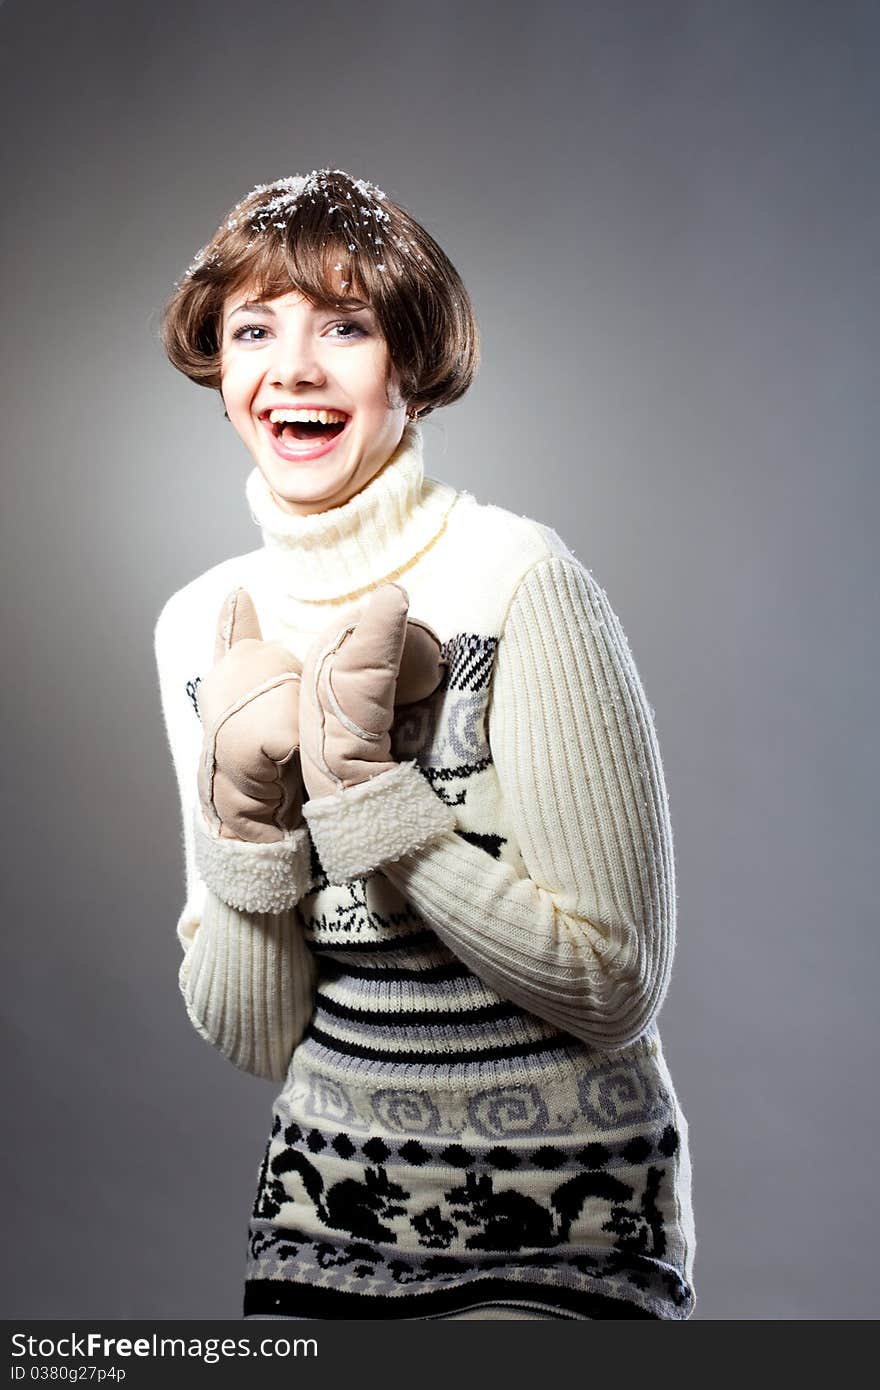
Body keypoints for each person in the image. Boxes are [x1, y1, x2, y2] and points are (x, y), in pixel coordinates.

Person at [154, 168, 696, 1320]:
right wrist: (249, 825)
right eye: (255, 329)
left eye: (342, 327)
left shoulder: (519, 579)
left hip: (564, 1221)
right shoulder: (198, 626)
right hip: (318, 1218)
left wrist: (370, 806)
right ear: (222, 370)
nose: (292, 367)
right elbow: (258, 1035)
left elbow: (614, 983)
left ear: (410, 367)